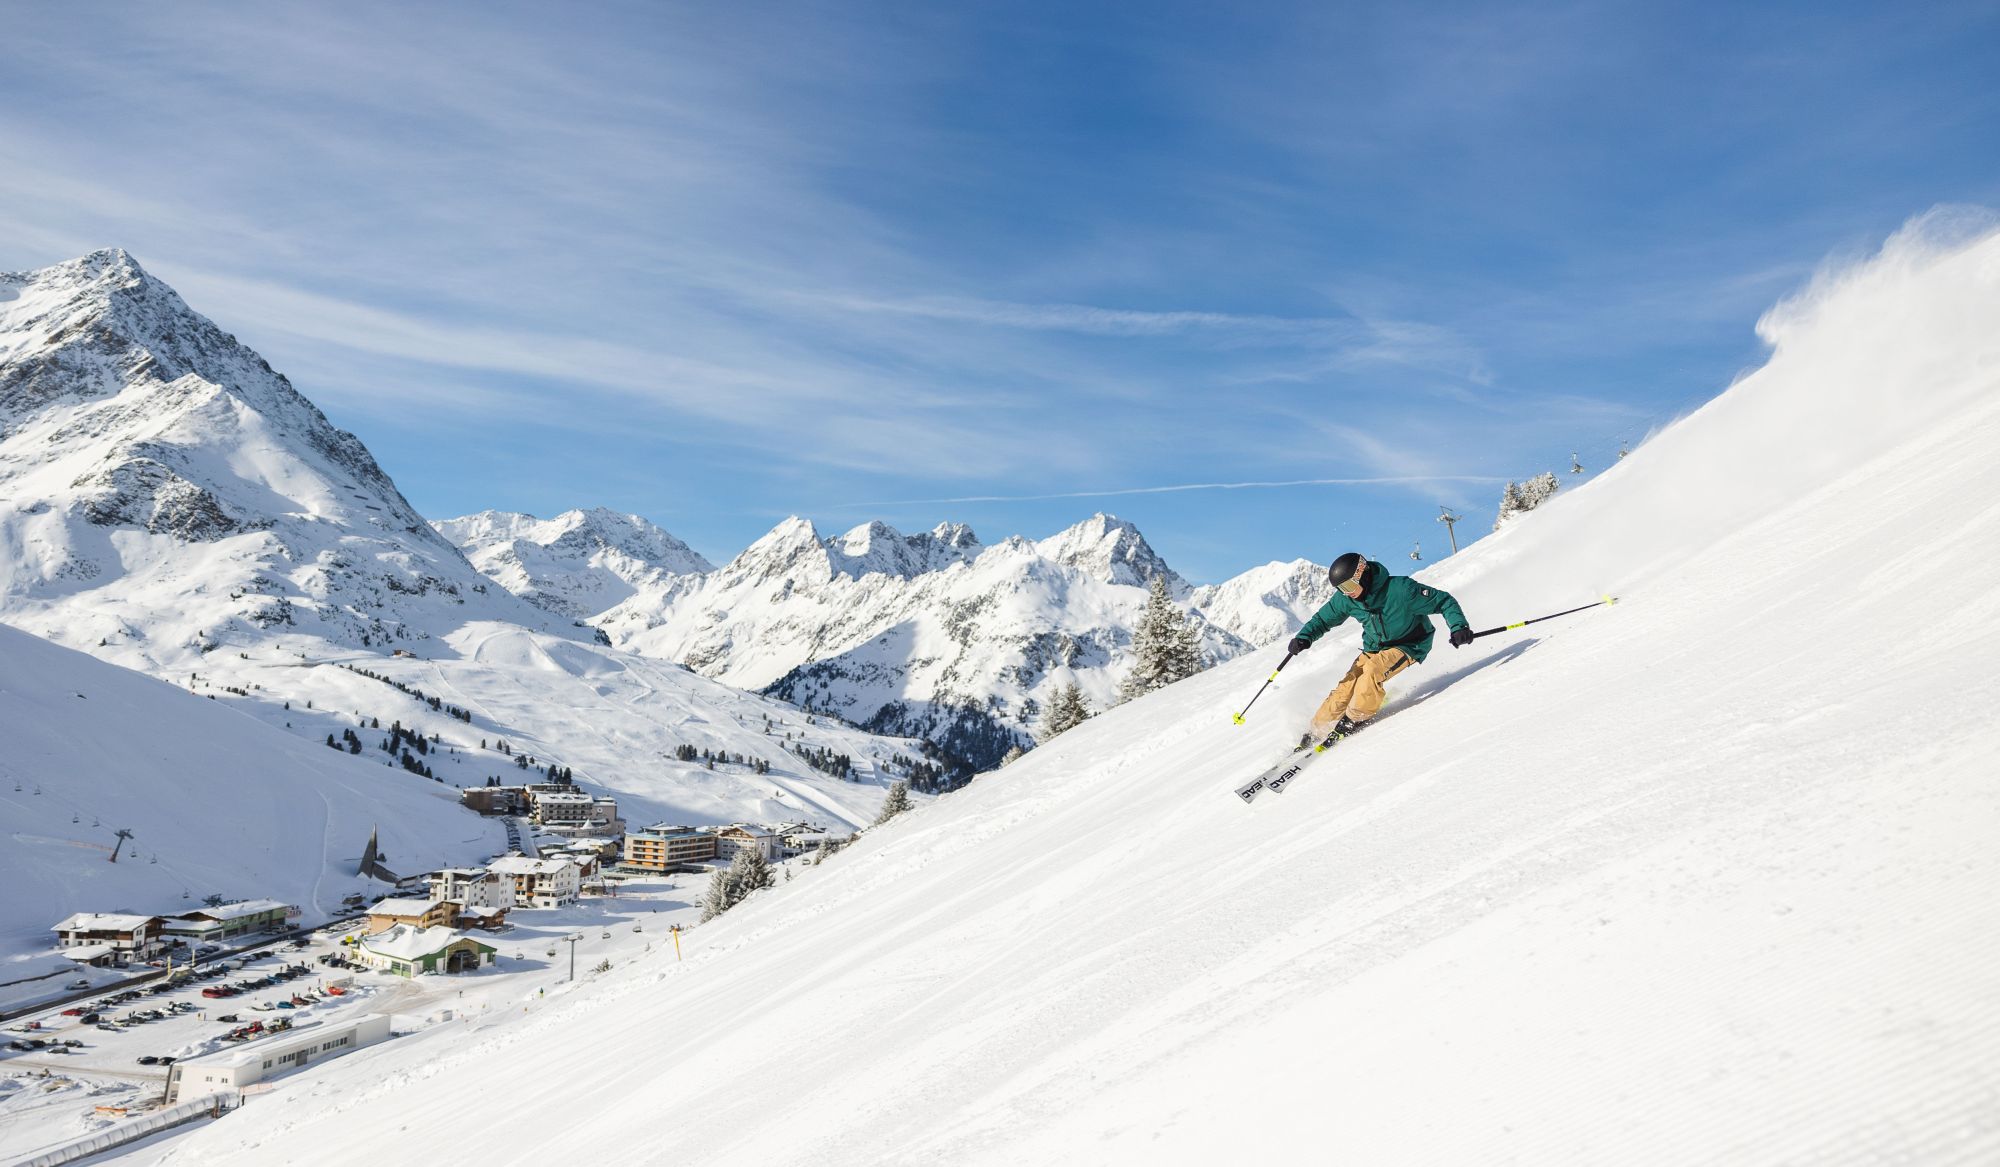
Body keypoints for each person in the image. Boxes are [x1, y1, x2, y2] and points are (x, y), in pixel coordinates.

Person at [1287, 552, 1474, 744]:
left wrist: (1459, 627)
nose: (1347, 592)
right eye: (1341, 589)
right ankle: (1315, 732)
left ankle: (1354, 719)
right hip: (1374, 648)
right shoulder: (1347, 599)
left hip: (1409, 644)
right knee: (1345, 688)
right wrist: (1304, 637)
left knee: (1372, 671)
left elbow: (1444, 601)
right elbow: (1323, 619)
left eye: (1349, 586)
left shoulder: (1401, 590)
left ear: (1363, 574)